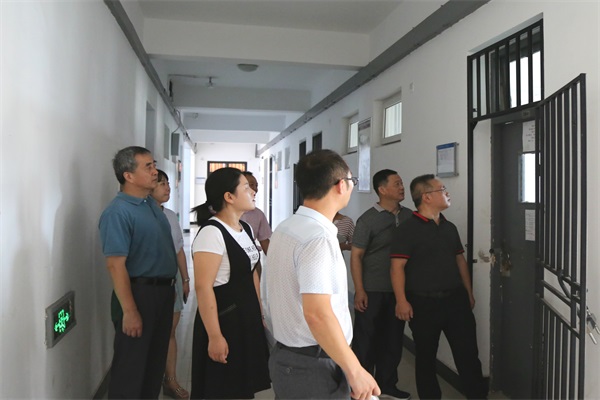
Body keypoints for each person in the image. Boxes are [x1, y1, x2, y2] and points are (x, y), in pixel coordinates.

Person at [265, 149, 380, 400]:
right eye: (352, 180)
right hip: (312, 364)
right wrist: (355, 370)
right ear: (341, 185)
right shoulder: (317, 237)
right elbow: (317, 313)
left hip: (291, 357)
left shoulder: (287, 227)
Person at [390, 174, 487, 400]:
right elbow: (397, 267)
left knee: (468, 355)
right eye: (442, 189)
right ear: (426, 197)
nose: (447, 193)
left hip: (456, 301)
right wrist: (401, 301)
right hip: (422, 304)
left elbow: (460, 261)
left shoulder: (449, 227)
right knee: (426, 358)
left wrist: (468, 292)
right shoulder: (406, 229)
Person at [98, 146, 178, 399]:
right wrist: (130, 311)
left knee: (153, 365)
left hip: (162, 293)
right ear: (128, 176)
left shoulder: (150, 206)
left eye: (154, 165)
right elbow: (115, 265)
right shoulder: (118, 212)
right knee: (131, 369)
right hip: (138, 294)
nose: (155, 172)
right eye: (148, 167)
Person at [190, 167, 270, 399]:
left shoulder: (245, 228)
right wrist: (215, 336)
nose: (253, 192)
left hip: (246, 316)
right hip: (225, 319)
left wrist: (259, 312)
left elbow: (252, 273)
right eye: (246, 187)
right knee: (224, 386)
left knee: (243, 385)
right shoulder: (212, 233)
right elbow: (203, 287)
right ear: (229, 197)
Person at [351, 169, 412, 400]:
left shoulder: (409, 216)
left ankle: (387, 385)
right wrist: (359, 289)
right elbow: (356, 256)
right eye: (397, 184)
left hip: (398, 291)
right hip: (372, 289)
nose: (402, 187)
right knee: (366, 341)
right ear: (382, 190)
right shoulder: (368, 219)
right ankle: (362, 389)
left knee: (393, 340)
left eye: (402, 183)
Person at [151, 169, 191, 399]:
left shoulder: (170, 215)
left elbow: (179, 249)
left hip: (172, 278)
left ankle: (171, 380)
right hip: (151, 281)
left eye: (167, 183)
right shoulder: (141, 214)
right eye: (161, 183)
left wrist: (185, 279)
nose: (167, 188)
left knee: (170, 332)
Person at [240, 171, 272, 254]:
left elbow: (265, 241)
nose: (255, 189)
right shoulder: (224, 214)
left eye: (256, 185)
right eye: (251, 185)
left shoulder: (258, 214)